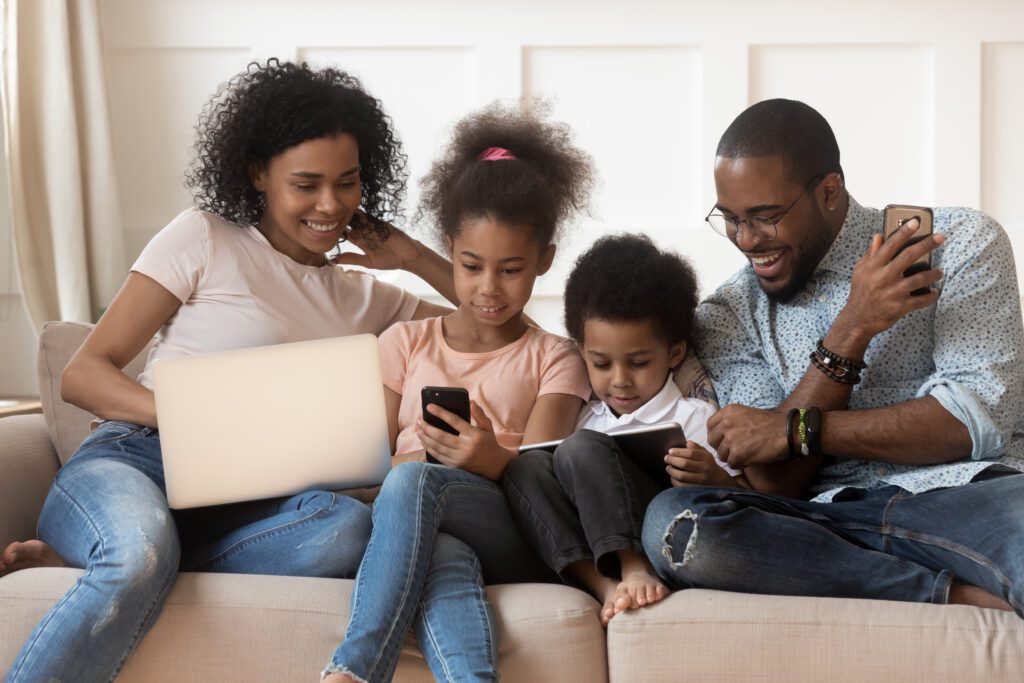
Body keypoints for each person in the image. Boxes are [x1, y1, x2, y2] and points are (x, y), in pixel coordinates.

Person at [0, 59, 458, 682]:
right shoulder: (205, 238)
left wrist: (409, 255)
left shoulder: (370, 297)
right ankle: (125, 553)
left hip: (255, 504)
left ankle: (106, 556)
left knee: (349, 530)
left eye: (347, 182)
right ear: (257, 174)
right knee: (137, 553)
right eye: (306, 183)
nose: (330, 204)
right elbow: (84, 375)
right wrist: (197, 421)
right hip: (139, 460)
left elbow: (508, 323)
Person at [642, 98, 1024, 615]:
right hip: (823, 522)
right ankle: (950, 594)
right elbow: (777, 478)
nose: (747, 240)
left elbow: (975, 421)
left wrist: (796, 429)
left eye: (765, 217)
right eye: (730, 219)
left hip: (968, 496)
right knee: (677, 524)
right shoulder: (729, 313)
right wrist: (852, 328)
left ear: (828, 192)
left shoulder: (961, 245)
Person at [323, 101, 594, 683]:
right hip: (417, 522)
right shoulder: (403, 342)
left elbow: (547, 487)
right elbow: (363, 464)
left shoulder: (555, 358)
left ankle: (355, 670)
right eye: (471, 266)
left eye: (511, 269)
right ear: (450, 250)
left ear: (544, 261)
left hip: (515, 531)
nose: (488, 288)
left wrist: (490, 459)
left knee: (416, 479)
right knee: (438, 543)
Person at [503, 234, 747, 626]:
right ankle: (604, 586)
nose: (620, 381)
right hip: (592, 547)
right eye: (601, 364)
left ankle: (635, 568)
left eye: (638, 363)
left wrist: (714, 477)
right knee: (525, 467)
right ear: (582, 352)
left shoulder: (693, 417)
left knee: (581, 448)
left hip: (660, 539)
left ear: (675, 353)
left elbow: (747, 509)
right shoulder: (583, 416)